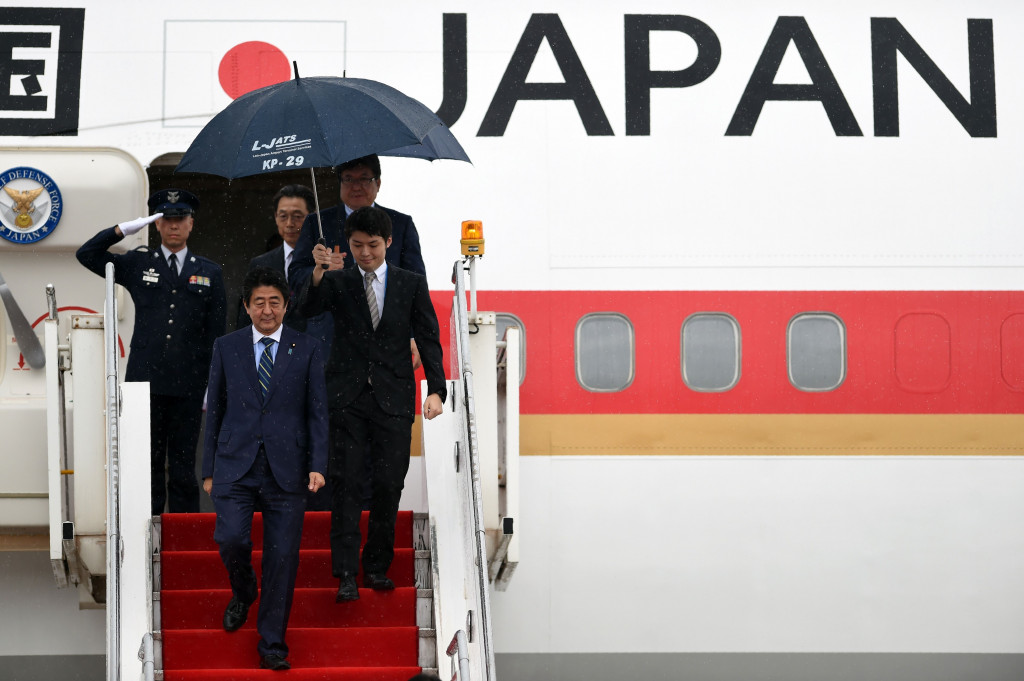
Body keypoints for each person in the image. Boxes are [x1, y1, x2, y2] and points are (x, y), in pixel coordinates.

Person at [297, 205, 446, 602]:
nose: (365, 253)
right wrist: (317, 272)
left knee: (387, 484)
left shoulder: (410, 283)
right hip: (346, 397)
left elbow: (428, 335)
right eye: (358, 245)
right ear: (348, 243)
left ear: (389, 243)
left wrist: (436, 388)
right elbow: (303, 308)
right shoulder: (339, 281)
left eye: (374, 246)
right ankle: (345, 572)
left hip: (394, 398)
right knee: (345, 485)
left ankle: (377, 566)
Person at [202, 267, 328, 671]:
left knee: (282, 558)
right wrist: (208, 468)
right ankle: (243, 590)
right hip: (234, 464)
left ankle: (272, 643)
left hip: (287, 469)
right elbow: (215, 410)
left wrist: (318, 465)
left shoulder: (306, 348)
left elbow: (317, 414)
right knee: (231, 540)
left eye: (275, 301)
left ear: (286, 305)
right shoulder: (226, 346)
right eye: (259, 302)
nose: (267, 309)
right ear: (246, 306)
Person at [76, 189, 226, 515]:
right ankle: (150, 536)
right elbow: (86, 254)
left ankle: (185, 540)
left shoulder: (210, 272)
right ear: (157, 224)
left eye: (180, 219)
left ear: (191, 223)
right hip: (145, 382)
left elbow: (216, 335)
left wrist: (212, 385)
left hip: (189, 383)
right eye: (166, 219)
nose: (174, 226)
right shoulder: (138, 262)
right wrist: (123, 229)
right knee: (148, 465)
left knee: (184, 466)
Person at [289, 153, 426, 367]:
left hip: (387, 339)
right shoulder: (317, 224)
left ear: (378, 183)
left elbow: (416, 286)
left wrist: (413, 334)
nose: (356, 186)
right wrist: (320, 271)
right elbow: (295, 277)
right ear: (340, 183)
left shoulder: (400, 225)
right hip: (329, 342)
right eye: (348, 179)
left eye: (364, 178)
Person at [234, 184, 315, 332]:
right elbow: (246, 318)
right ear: (276, 218)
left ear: (312, 217)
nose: (290, 224)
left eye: (297, 216)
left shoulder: (324, 260)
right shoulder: (260, 263)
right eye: (283, 216)